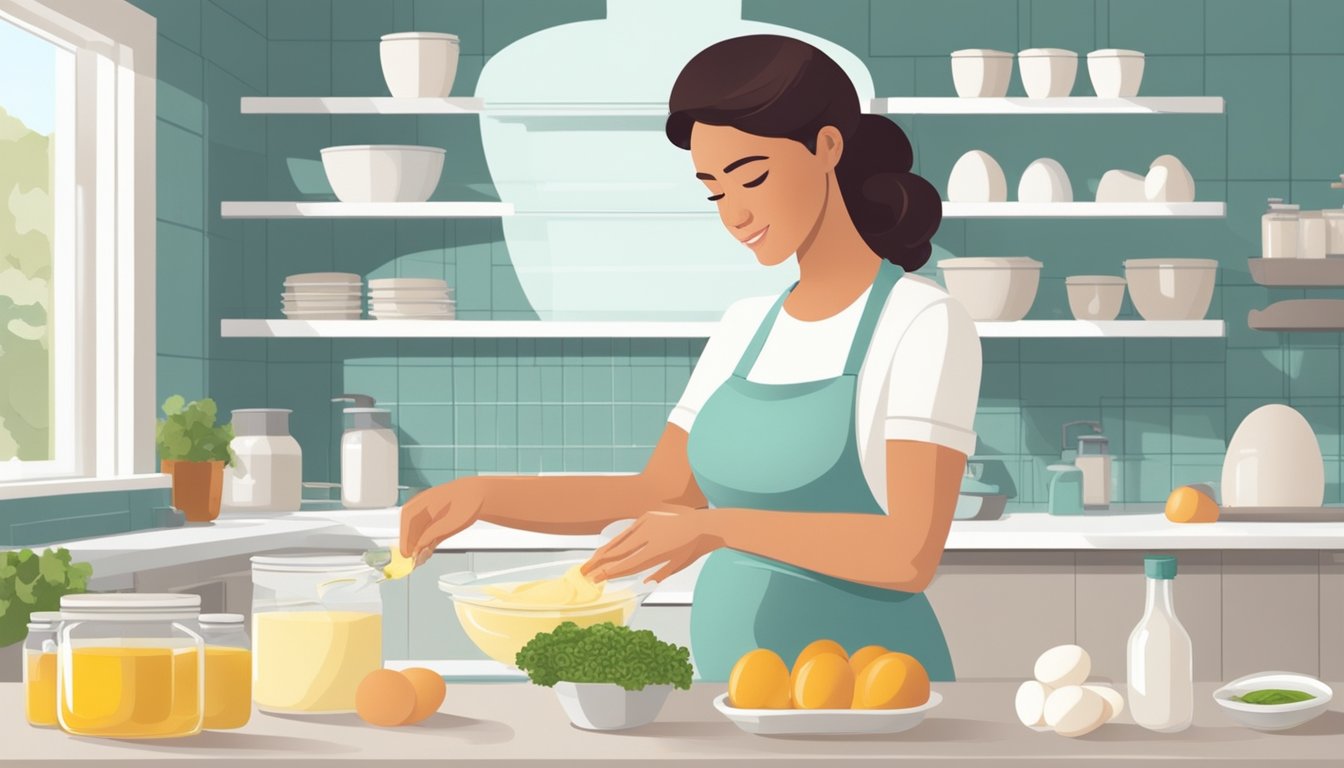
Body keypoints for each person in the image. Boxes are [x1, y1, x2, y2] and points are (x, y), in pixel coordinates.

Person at [399, 34, 981, 681]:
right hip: (731, 686)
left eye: (752, 176)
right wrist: (483, 496)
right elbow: (660, 491)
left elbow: (907, 553)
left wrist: (717, 529)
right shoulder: (746, 326)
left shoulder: (921, 320)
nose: (735, 214)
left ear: (827, 147)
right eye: (714, 191)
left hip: (870, 683)